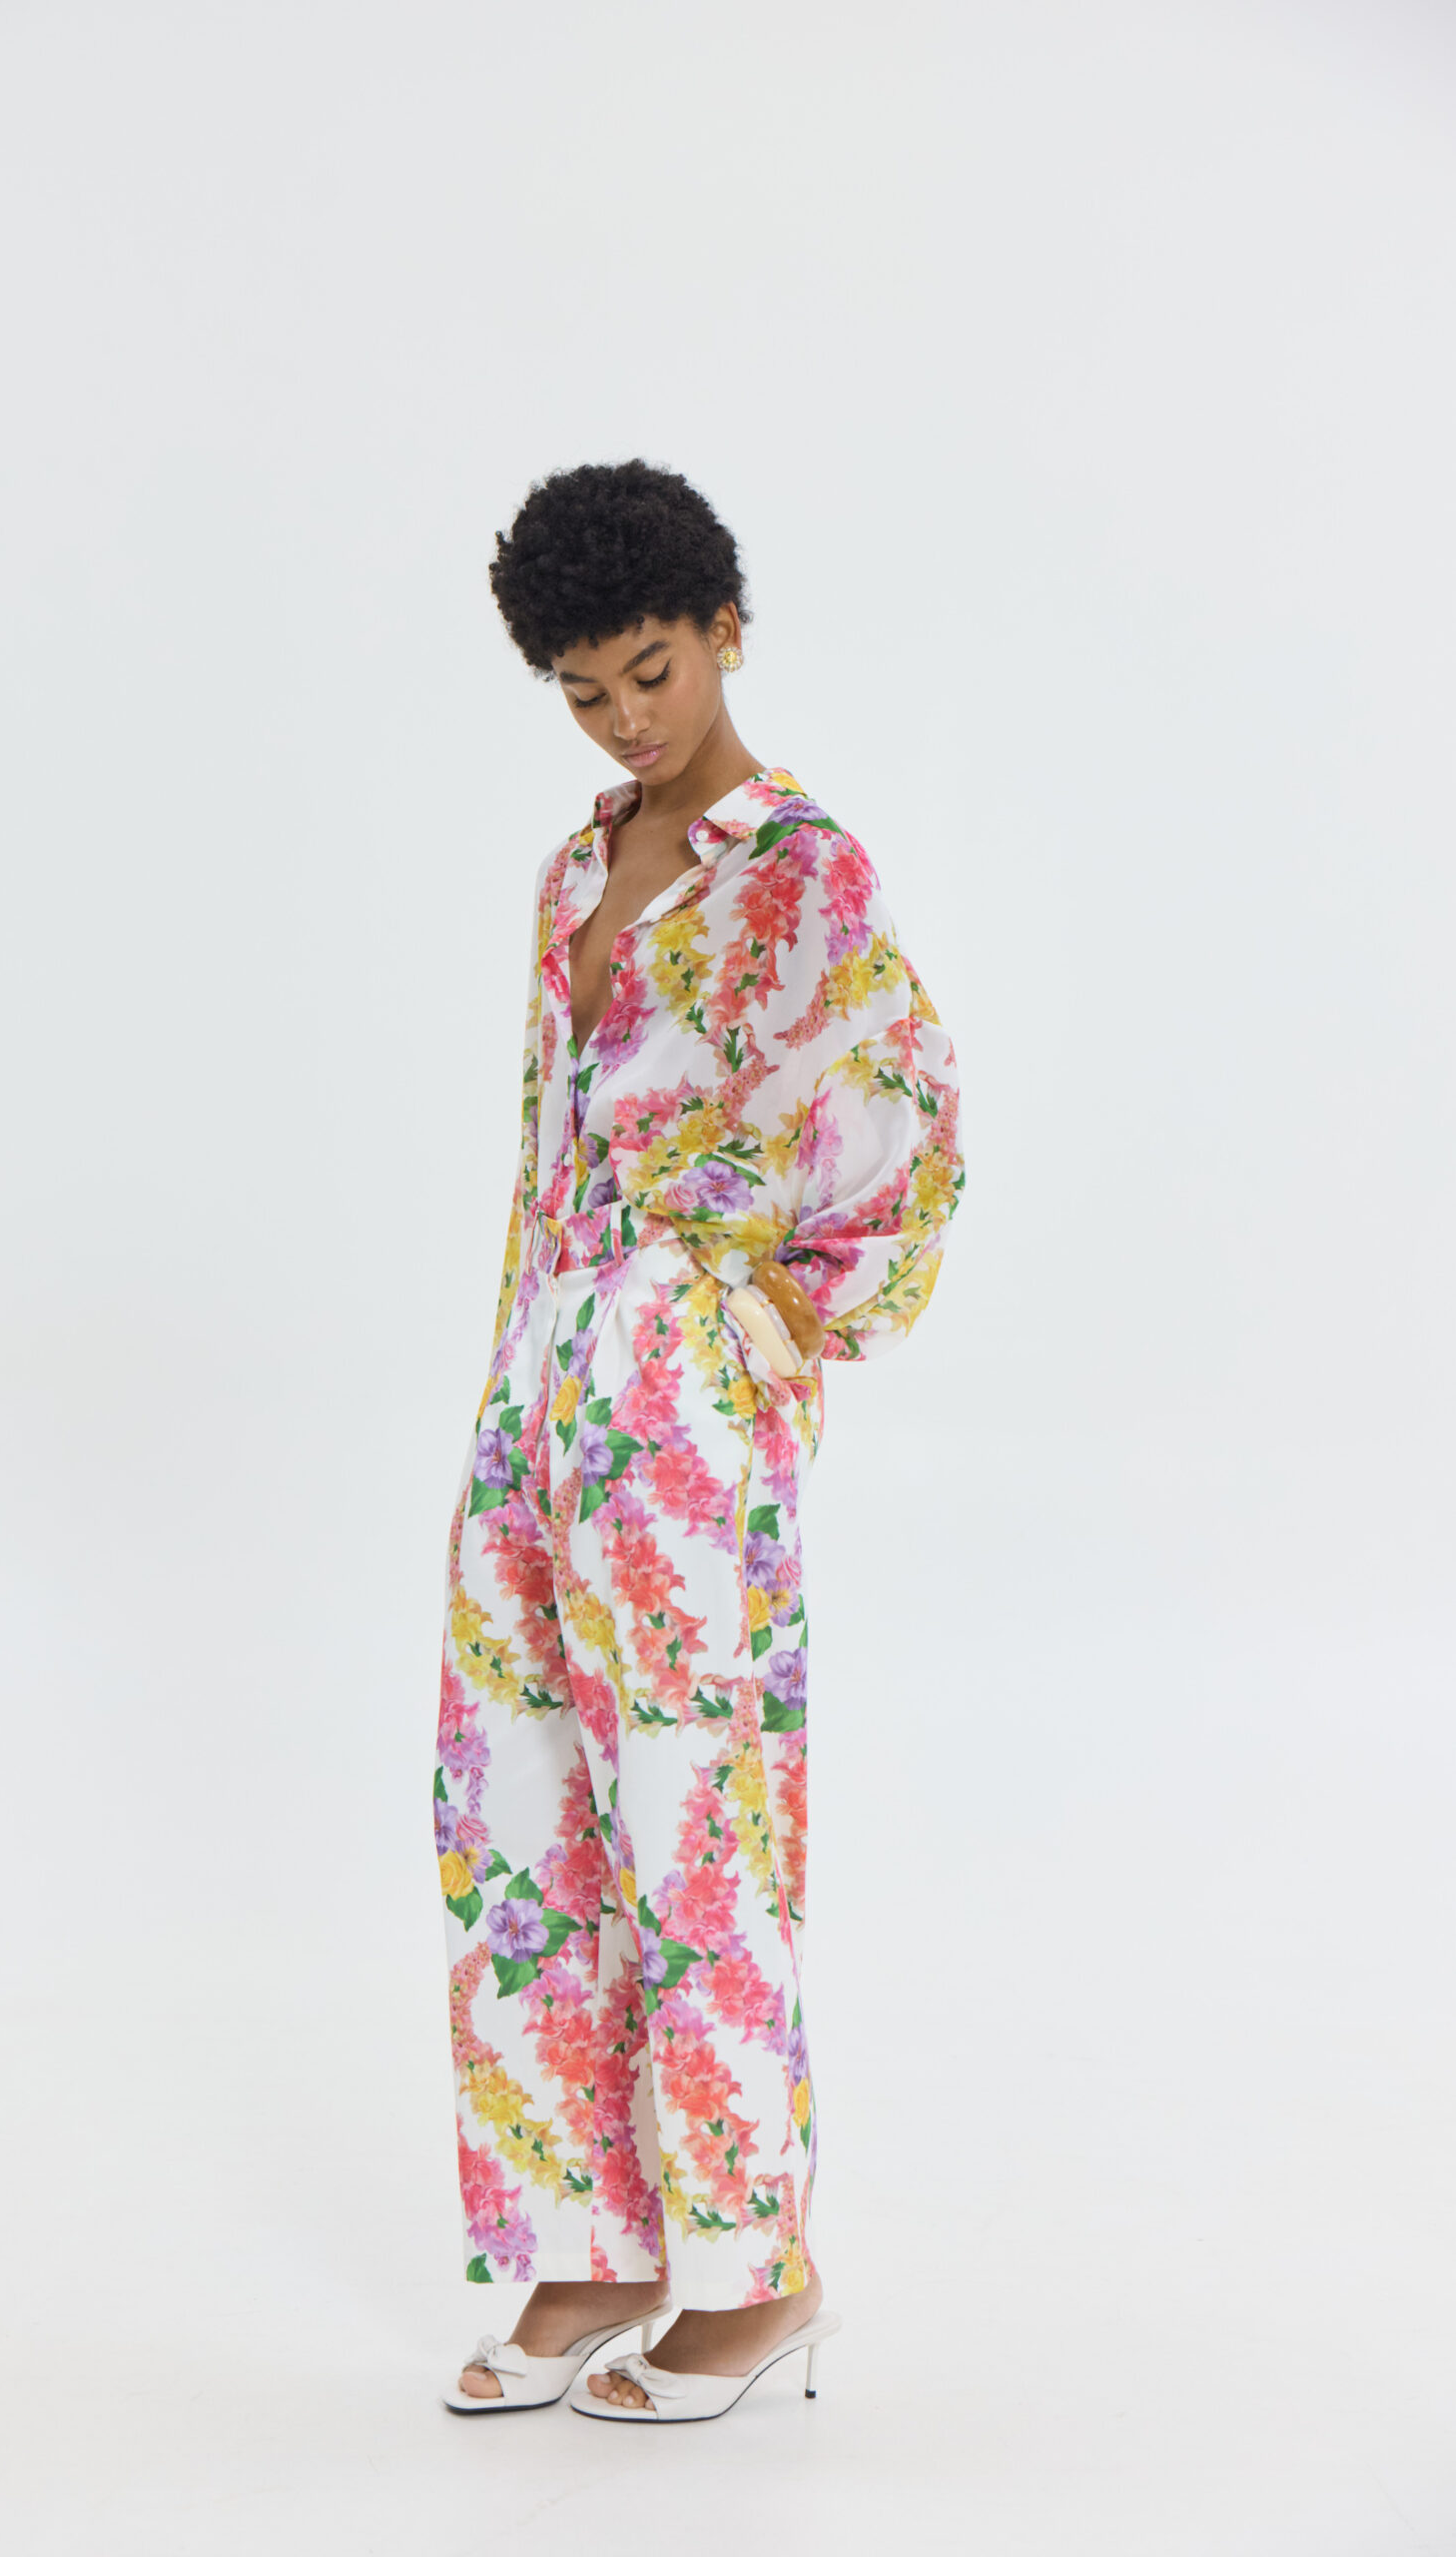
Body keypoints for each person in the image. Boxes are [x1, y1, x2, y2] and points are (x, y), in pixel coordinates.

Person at [435, 460, 964, 2423]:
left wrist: (759, 1320)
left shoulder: (802, 871)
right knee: (518, 1807)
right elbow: (549, 1147)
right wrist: (523, 1359)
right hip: (540, 1371)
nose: (623, 718)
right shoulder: (573, 872)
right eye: (583, 690)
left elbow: (904, 1123)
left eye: (649, 669)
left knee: (691, 1823)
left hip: (679, 1381)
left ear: (724, 628)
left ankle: (756, 2277)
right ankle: (591, 2241)